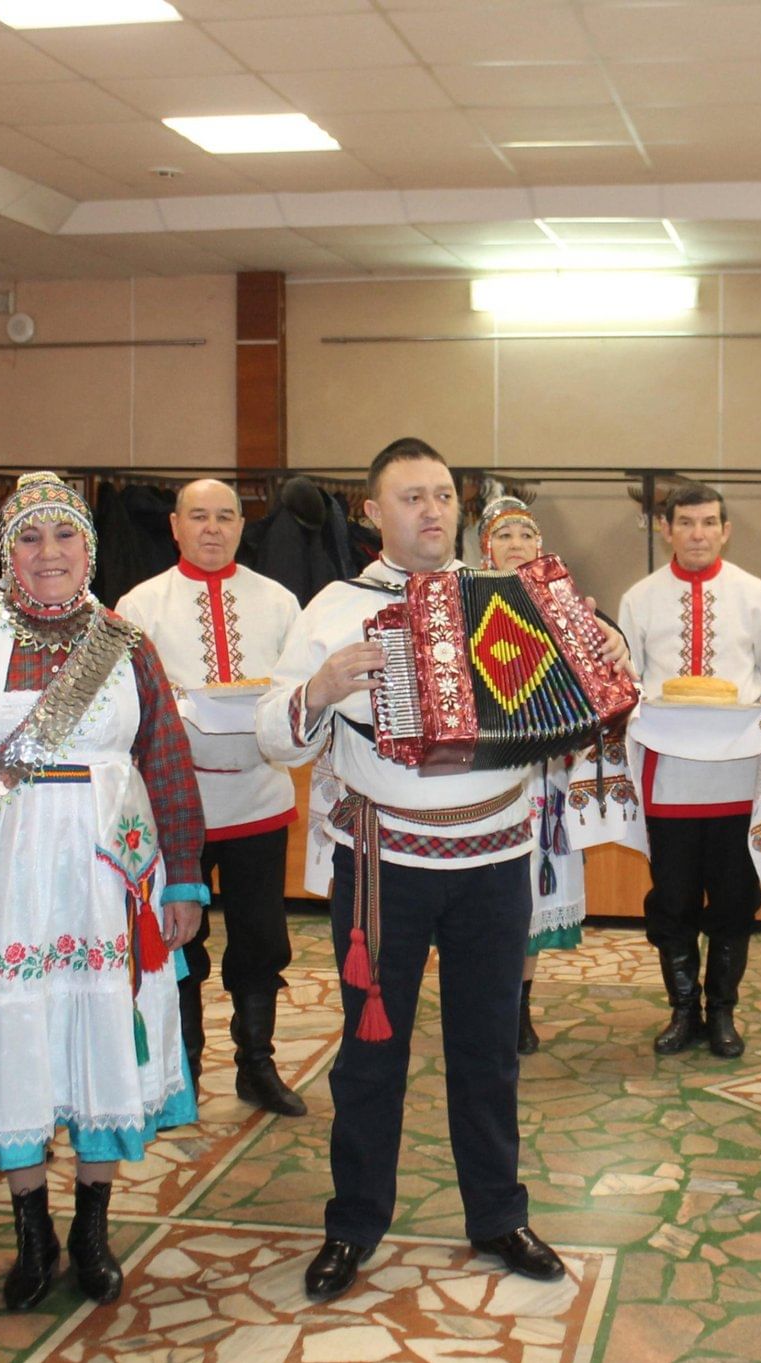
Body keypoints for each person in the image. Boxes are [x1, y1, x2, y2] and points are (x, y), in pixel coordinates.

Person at [258, 439, 568, 1303]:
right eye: (411, 498)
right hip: (384, 863)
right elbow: (273, 735)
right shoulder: (331, 607)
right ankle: (353, 1222)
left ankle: (498, 1213)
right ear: (372, 512)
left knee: (488, 1051)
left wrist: (595, 651)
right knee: (368, 1056)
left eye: (442, 495)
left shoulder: (509, 595)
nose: (432, 511)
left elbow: (571, 695)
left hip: (496, 858)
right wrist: (317, 687)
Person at [0, 473, 204, 1313]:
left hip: (108, 880)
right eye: (30, 538)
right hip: (3, 882)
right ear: (8, 553)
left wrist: (188, 880)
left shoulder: (127, 642)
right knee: (16, 1039)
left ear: (88, 548)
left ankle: (93, 1228)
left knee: (104, 1030)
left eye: (64, 537)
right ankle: (33, 1230)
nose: (50, 553)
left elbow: (168, 767)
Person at [117, 479, 306, 1117]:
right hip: (175, 808)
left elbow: (298, 691)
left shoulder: (279, 601)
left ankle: (257, 1065)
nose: (212, 528)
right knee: (177, 941)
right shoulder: (139, 605)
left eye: (225, 516)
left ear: (241, 525)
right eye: (198, 516)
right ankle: (183, 1072)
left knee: (261, 940)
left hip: (258, 799)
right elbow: (124, 703)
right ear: (174, 526)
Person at [618, 483, 761, 1059]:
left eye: (708, 523)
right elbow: (620, 678)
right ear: (665, 529)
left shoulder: (753, 595)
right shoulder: (640, 598)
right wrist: (635, 700)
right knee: (670, 902)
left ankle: (722, 1011)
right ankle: (682, 1012)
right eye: (686, 523)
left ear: (725, 530)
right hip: (668, 778)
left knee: (733, 900)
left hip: (738, 777)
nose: (697, 533)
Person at [476, 496, 616, 1054]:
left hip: (544, 773)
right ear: (486, 547)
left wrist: (612, 640)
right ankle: (485, 1000)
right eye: (504, 536)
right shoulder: (463, 598)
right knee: (485, 891)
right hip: (484, 772)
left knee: (532, 892)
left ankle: (518, 1008)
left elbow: (608, 658)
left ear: (541, 546)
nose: (517, 545)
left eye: (525, 536)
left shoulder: (564, 603)